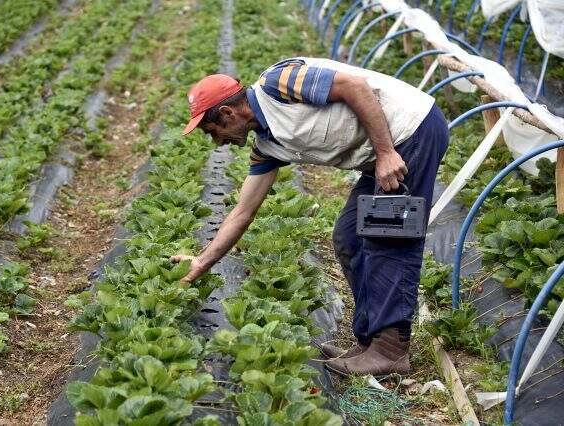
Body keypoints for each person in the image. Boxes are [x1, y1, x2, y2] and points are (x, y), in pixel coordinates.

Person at [170, 57, 449, 376]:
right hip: (381, 150)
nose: (217, 142)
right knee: (349, 238)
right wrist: (202, 262)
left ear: (228, 113)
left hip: (410, 133)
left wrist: (386, 153)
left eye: (211, 132)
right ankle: (370, 339)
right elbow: (243, 212)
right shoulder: (267, 145)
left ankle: (391, 349)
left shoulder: (279, 83)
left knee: (388, 237)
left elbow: (354, 87)